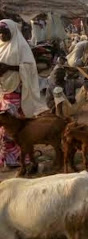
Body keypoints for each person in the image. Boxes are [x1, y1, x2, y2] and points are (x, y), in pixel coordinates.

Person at [0, 19, 46, 168]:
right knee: (5, 126)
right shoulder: (0, 46)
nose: (2, 35)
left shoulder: (20, 46)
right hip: (3, 91)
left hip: (16, 91)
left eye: (5, 32)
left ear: (12, 31)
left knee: (12, 125)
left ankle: (22, 156)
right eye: (0, 32)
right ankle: (10, 157)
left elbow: (30, 67)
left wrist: (9, 67)